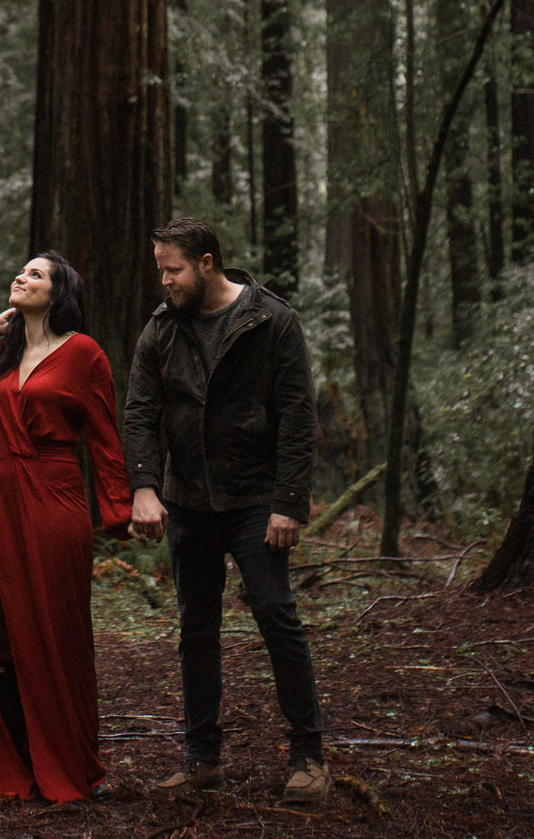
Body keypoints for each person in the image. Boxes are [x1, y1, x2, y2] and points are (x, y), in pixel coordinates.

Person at [124, 217, 330, 807]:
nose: (165, 281)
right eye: (161, 270)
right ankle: (202, 761)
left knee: (274, 613)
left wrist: (289, 503)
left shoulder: (272, 321)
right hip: (189, 498)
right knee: (196, 629)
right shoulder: (161, 329)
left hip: (255, 497)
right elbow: (140, 412)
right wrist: (144, 487)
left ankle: (309, 758)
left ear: (208, 262)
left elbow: (296, 416)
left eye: (174, 269)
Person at [0, 252, 132, 803]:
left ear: (60, 291)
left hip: (54, 493)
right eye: (19, 271)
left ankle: (71, 766)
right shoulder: (0, 353)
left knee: (56, 632)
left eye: (35, 274)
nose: (21, 276)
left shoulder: (83, 353)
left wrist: (118, 510)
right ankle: (9, 768)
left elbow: (107, 439)